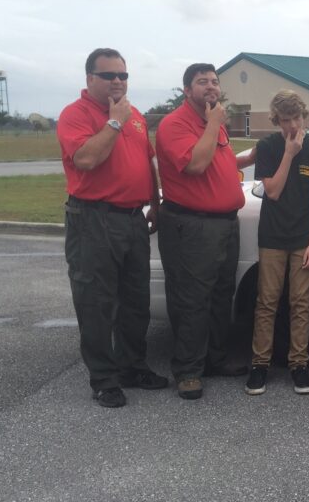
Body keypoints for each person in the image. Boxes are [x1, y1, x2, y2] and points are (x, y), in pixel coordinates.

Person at [57, 47, 168, 408]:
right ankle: (104, 379)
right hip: (93, 219)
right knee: (96, 303)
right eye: (109, 75)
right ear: (90, 78)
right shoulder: (76, 115)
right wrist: (114, 122)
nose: (118, 81)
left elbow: (147, 161)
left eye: (123, 75)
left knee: (135, 301)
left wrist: (155, 203)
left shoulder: (135, 115)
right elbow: (86, 158)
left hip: (133, 218)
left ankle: (132, 367)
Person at [155, 63, 252, 400]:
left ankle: (215, 359)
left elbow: (217, 161)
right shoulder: (176, 124)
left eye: (214, 81)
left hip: (225, 223)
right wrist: (213, 125)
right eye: (202, 82)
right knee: (192, 300)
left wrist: (253, 156)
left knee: (221, 295)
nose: (211, 86)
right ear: (187, 90)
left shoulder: (213, 122)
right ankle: (188, 371)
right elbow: (196, 164)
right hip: (192, 225)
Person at [245, 90, 309, 397]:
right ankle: (260, 365)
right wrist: (290, 154)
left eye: (296, 118)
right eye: (285, 120)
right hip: (272, 236)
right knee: (267, 301)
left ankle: (299, 364)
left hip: (303, 238)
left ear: (304, 116)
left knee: (301, 303)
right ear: (276, 121)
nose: (292, 125)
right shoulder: (268, 146)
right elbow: (273, 191)